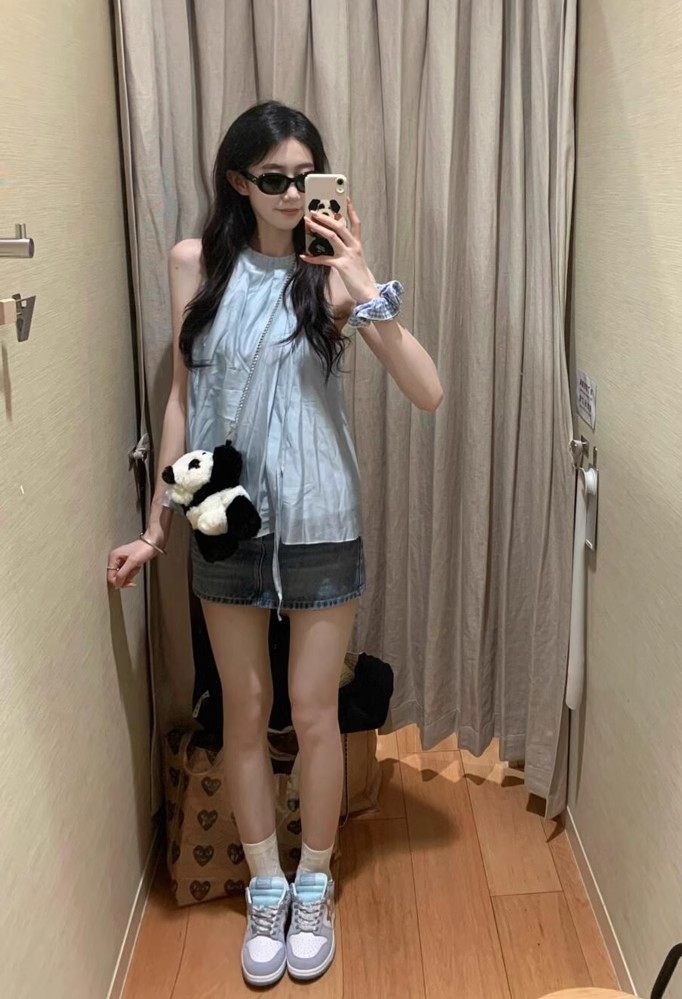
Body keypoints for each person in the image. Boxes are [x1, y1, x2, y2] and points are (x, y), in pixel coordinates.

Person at [107, 99, 443, 987]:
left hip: (323, 515)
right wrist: (155, 525)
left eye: (305, 178)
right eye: (273, 180)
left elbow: (428, 389)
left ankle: (314, 883)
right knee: (245, 709)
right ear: (237, 181)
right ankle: (267, 886)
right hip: (227, 518)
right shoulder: (195, 264)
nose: (293, 196)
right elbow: (183, 399)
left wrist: (358, 272)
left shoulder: (329, 278)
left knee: (315, 709)